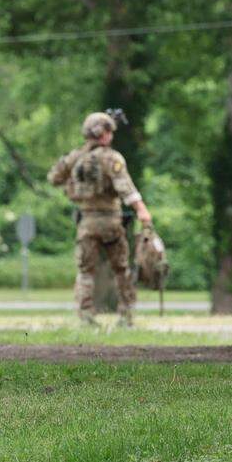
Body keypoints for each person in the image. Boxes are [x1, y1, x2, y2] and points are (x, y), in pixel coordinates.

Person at [48, 112, 153, 327]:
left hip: (86, 221)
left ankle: (85, 316)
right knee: (121, 269)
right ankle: (126, 316)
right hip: (111, 222)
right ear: (104, 134)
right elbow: (125, 188)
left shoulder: (76, 157)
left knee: (85, 271)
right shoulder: (111, 158)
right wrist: (142, 210)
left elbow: (54, 177)